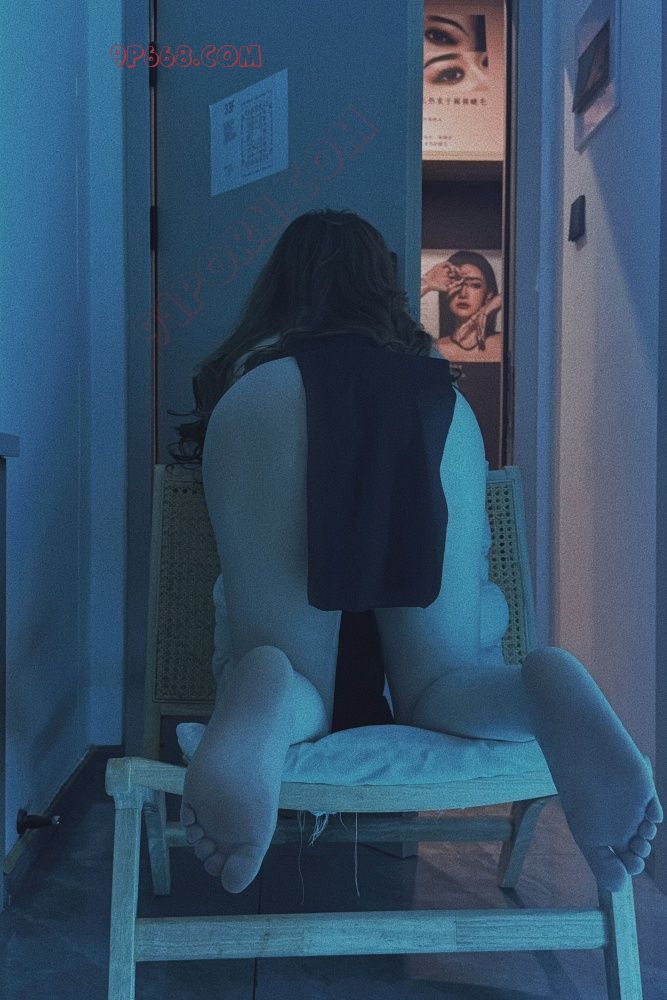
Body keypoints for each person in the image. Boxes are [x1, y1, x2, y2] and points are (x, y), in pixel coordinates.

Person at [169, 208, 661, 895]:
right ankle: (534, 692)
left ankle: (268, 685)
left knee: (293, 672)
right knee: (440, 683)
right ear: (383, 282)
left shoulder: (253, 380)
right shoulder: (442, 389)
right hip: (425, 413)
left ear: (279, 284)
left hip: (270, 407)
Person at [421, 252, 503, 362]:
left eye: (475, 285)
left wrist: (496, 302)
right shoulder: (433, 349)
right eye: (456, 284)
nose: (463, 294)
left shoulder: (505, 343)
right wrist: (426, 283)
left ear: (488, 295)